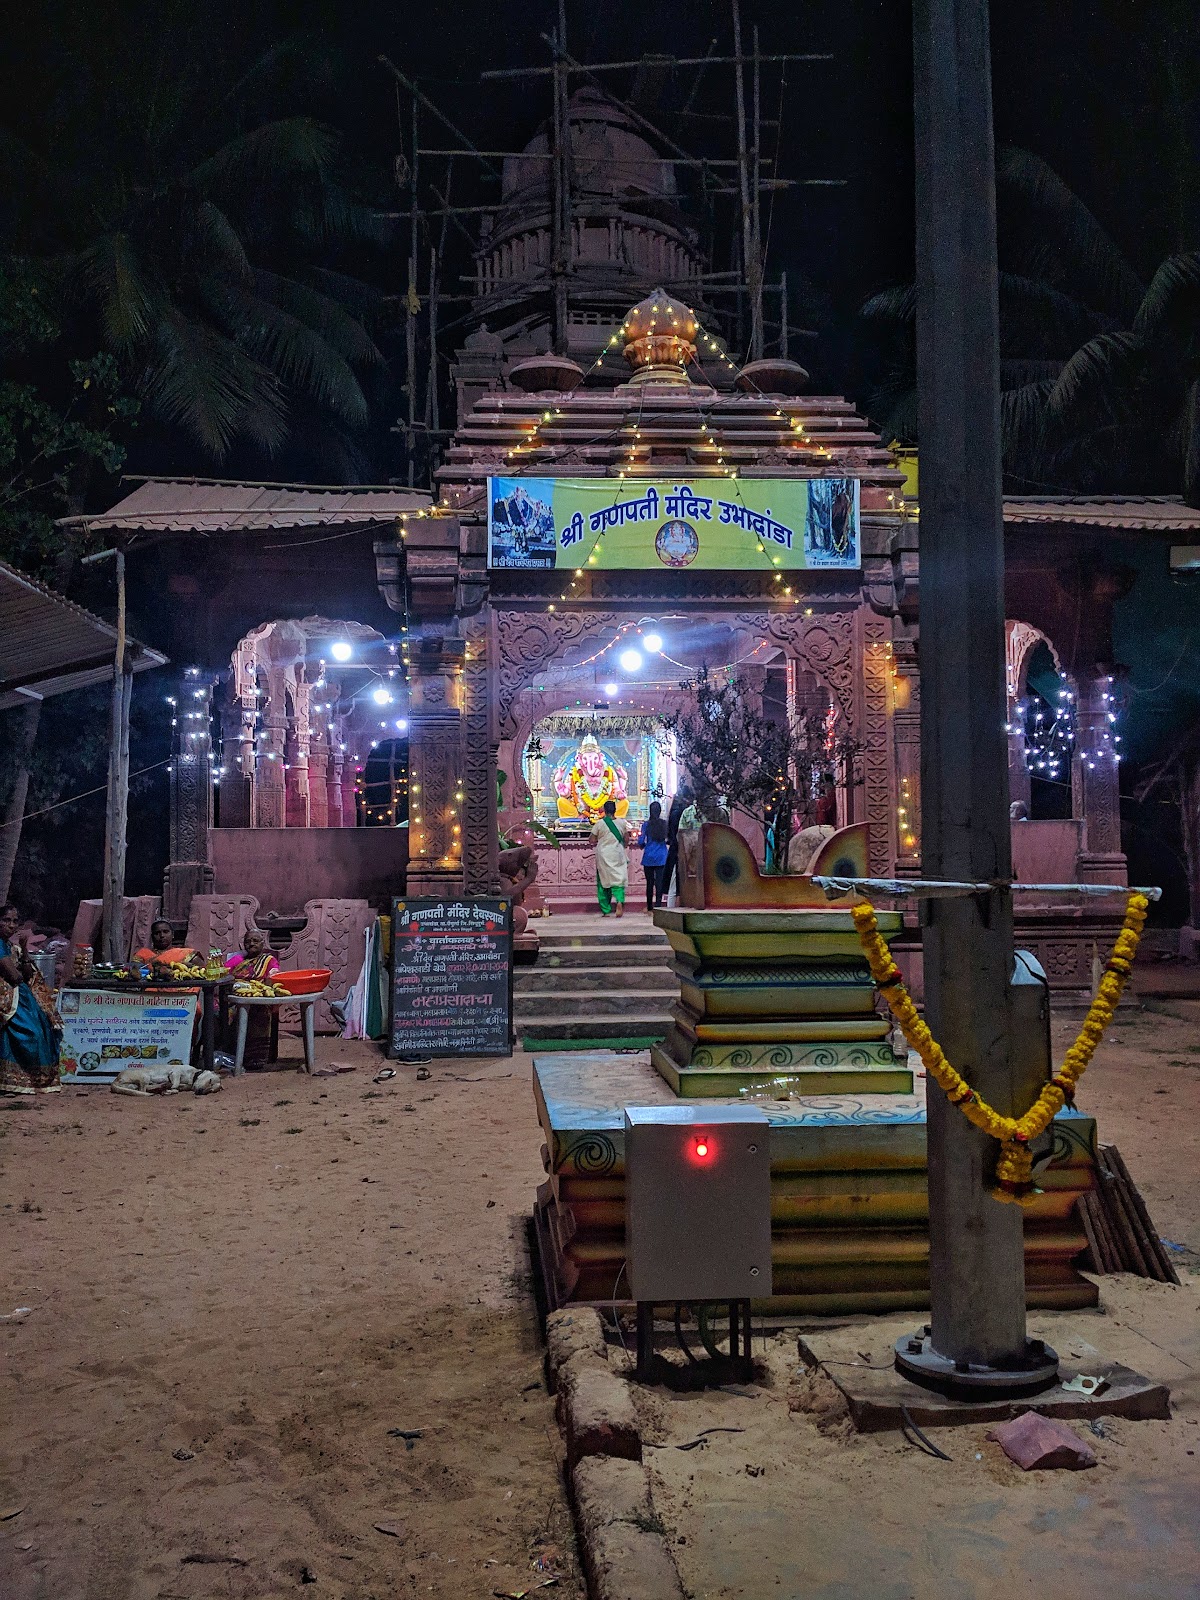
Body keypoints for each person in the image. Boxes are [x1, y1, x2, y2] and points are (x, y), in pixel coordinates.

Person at [0, 902, 62, 1095]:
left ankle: (20, 1081)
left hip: (20, 995)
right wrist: (19, 974)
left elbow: (26, 973)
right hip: (9, 997)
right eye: (6, 920)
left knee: (43, 1027)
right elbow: (15, 976)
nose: (11, 925)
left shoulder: (11, 946)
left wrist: (25, 949)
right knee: (30, 1033)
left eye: (15, 921)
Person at [225, 928, 281, 1068]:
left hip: (258, 997)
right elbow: (223, 972)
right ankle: (229, 1054)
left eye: (255, 941)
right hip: (234, 996)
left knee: (258, 1011)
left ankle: (255, 1058)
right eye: (248, 941)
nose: (251, 944)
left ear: (263, 944)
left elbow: (274, 977)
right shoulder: (237, 960)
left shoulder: (269, 960)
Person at [590, 798, 631, 917]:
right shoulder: (622, 823)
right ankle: (619, 901)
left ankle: (606, 910)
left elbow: (592, 839)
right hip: (617, 853)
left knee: (603, 882)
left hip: (604, 855)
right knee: (619, 880)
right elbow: (626, 839)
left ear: (603, 810)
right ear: (615, 810)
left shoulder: (600, 824)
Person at [636, 801, 669, 913]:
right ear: (660, 811)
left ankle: (649, 906)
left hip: (649, 856)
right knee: (659, 882)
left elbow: (641, 840)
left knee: (649, 883)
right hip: (661, 856)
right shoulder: (664, 824)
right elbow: (668, 839)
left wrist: (643, 845)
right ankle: (658, 905)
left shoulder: (646, 824)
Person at [133, 919, 198, 967]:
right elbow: (135, 972)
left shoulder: (184, 954)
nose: (162, 935)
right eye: (157, 933)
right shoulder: (143, 954)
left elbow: (201, 970)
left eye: (165, 932)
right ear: (152, 937)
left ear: (172, 934)